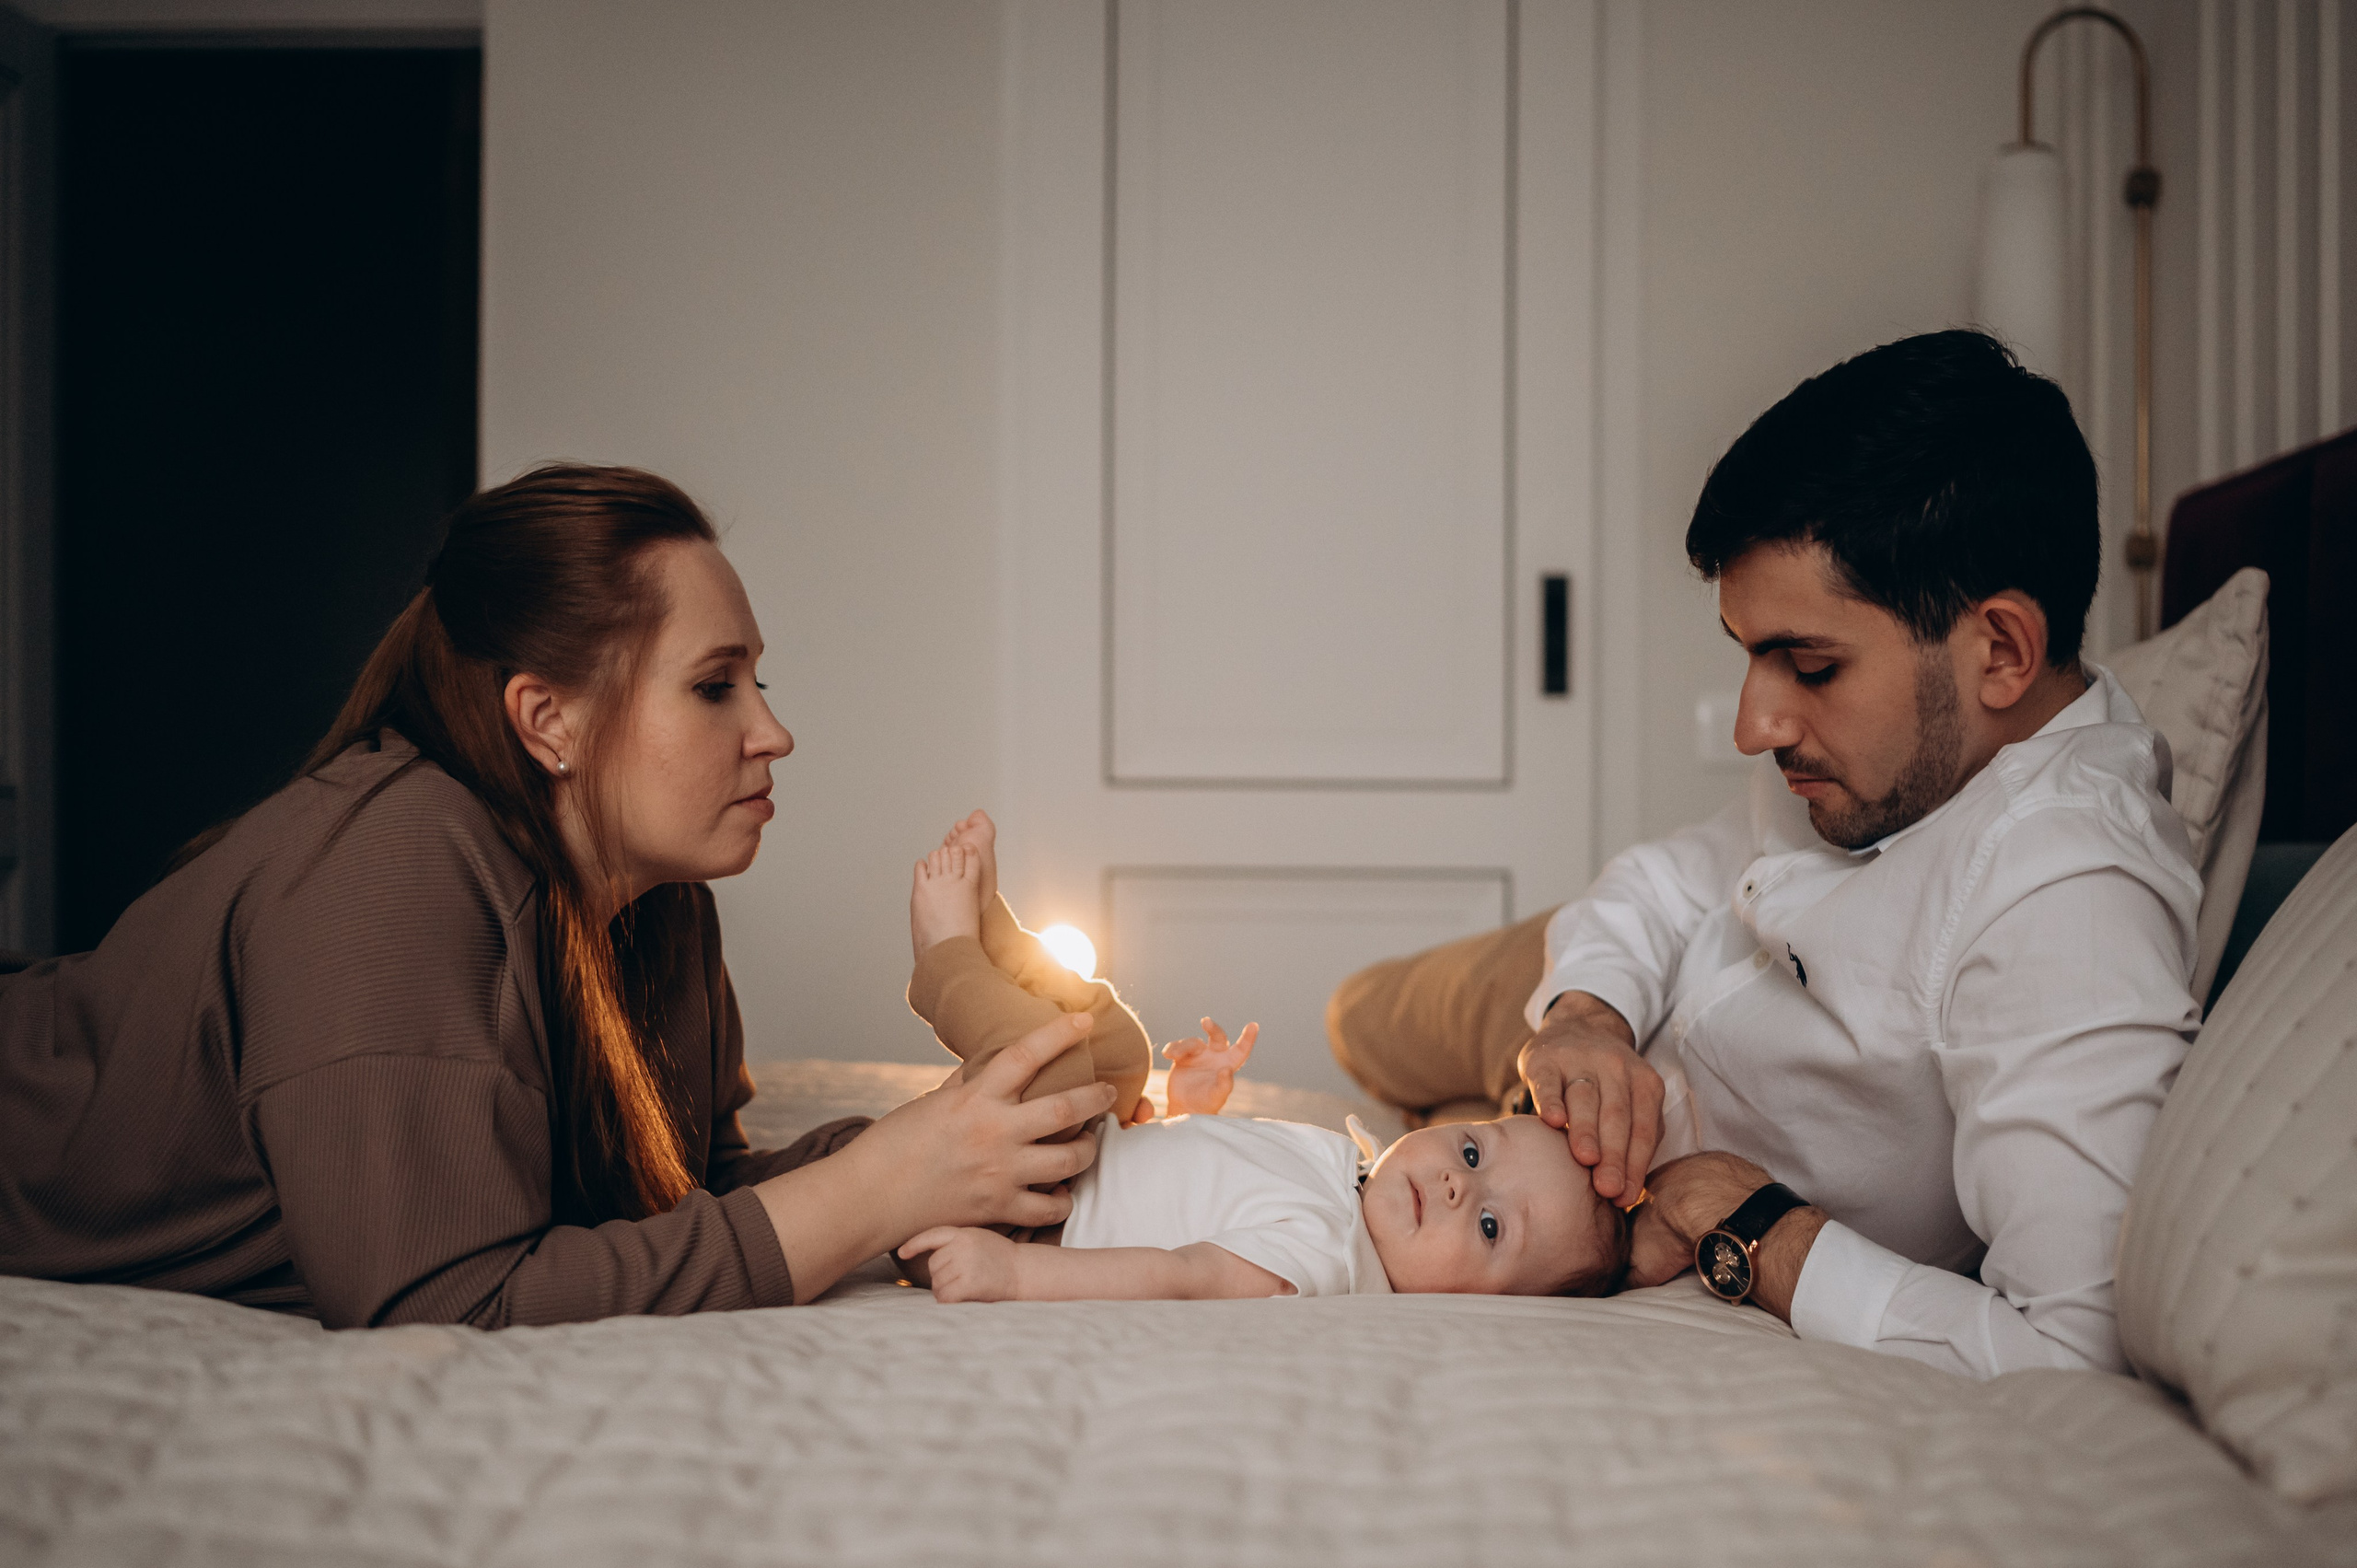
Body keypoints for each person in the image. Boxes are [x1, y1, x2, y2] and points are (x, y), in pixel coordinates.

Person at [0, 464, 1117, 1328]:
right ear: (549, 720)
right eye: (714, 686)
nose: (773, 732)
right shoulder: (389, 863)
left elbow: (684, 1199)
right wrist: (875, 1187)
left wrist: (941, 1152)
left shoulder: (653, 894)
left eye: (758, 680)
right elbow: (437, 1299)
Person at [1338, 331, 2201, 1377]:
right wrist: (1586, 1017)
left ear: (2003, 650)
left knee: (1382, 1067)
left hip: (1576, 1165)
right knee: (1360, 1017)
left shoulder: (2068, 906)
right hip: (1591, 1000)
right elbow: (1666, 880)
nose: (1754, 726)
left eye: (1810, 664)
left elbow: (2072, 1349)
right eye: (1751, 655)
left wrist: (1749, 1222)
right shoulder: (1879, 762)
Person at [894, 813, 1635, 1302]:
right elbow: (1213, 1193)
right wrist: (1189, 1111)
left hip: (1032, 1215)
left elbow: (1182, 1273)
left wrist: (1014, 1272)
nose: (1454, 1186)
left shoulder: (1328, 1258)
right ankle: (999, 941)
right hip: (1089, 1153)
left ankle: (947, 959)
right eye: (1473, 1152)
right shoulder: (1353, 1178)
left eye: (1490, 1227)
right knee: (1120, 1046)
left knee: (1053, 1070)